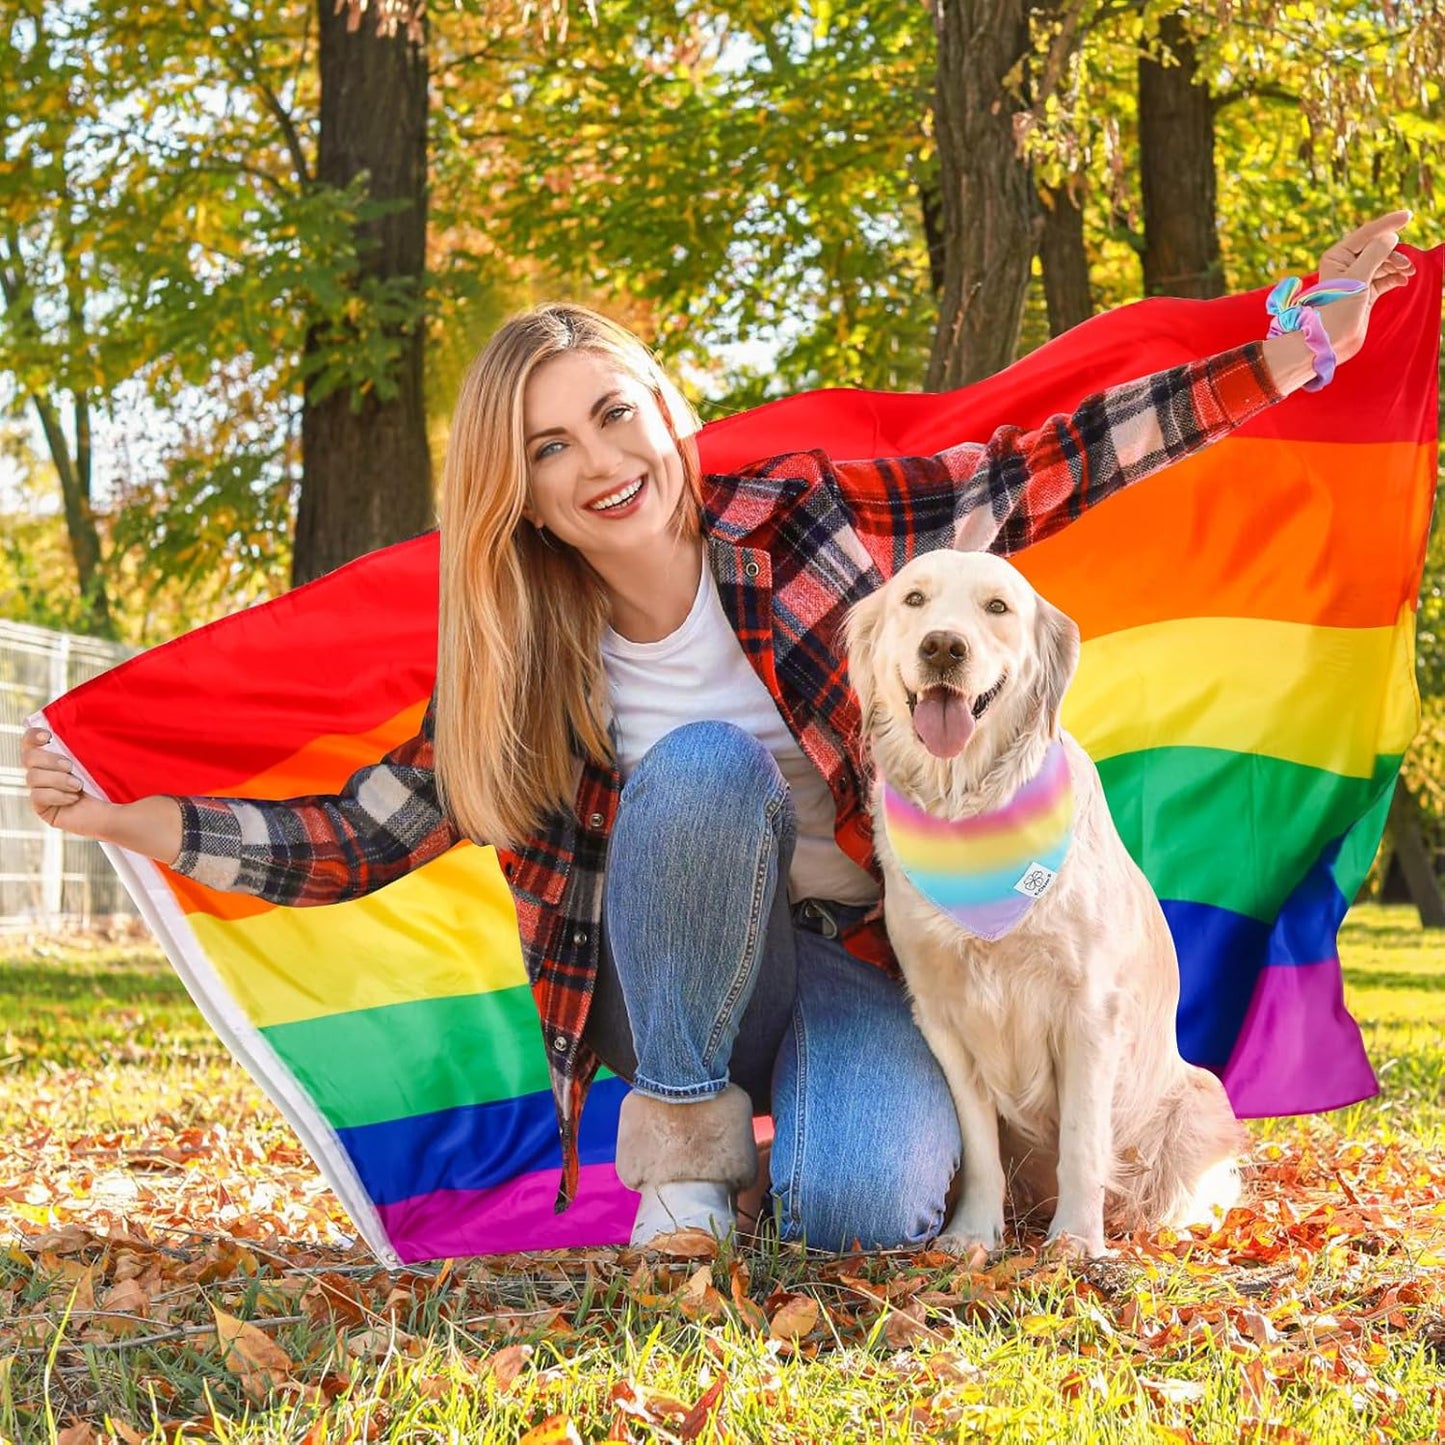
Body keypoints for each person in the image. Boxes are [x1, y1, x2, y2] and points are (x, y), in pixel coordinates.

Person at [22, 212, 1418, 1251]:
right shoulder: (529, 651)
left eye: (611, 415)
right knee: (697, 770)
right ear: (521, 491)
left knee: (863, 1210)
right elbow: (358, 832)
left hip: (864, 964)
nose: (598, 462)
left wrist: (1289, 351)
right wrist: (136, 817)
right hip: (668, 987)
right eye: (550, 447)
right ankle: (687, 1167)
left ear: (666, 419)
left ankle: (790, 1162)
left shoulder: (809, 521)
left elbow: (1036, 468)